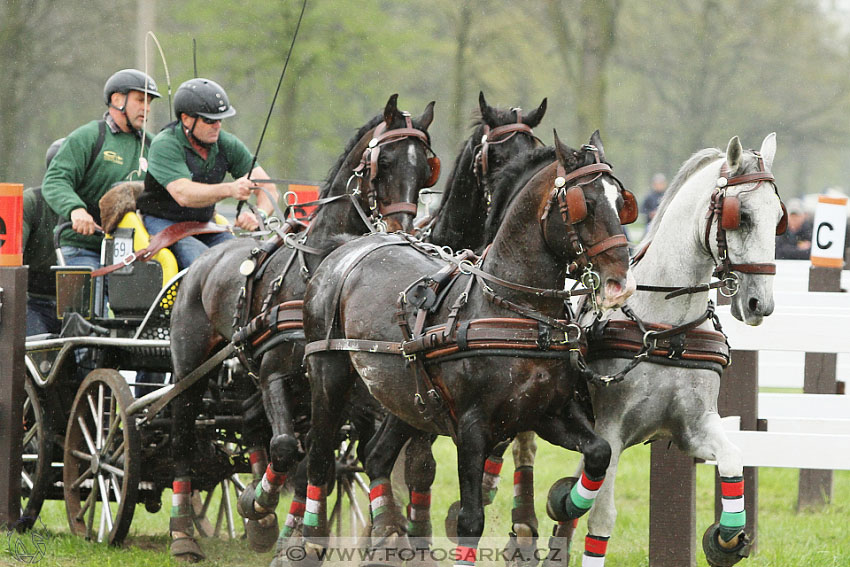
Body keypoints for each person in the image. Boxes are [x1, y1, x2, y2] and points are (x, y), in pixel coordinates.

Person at [136, 77, 278, 270]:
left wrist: (259, 215)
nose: (217, 125)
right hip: (163, 224)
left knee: (248, 259)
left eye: (220, 119)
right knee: (204, 266)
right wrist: (230, 189)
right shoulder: (165, 144)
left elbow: (267, 187)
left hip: (204, 225)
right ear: (186, 119)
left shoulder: (227, 143)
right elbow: (183, 194)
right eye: (209, 120)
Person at [42, 69, 161, 275]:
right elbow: (55, 180)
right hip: (83, 245)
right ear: (117, 99)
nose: (147, 108)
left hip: (134, 248)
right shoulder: (88, 137)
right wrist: (75, 209)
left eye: (149, 102)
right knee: (87, 307)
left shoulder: (153, 145)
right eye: (140, 100)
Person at [23, 139, 64, 336]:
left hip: (77, 305)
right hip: (33, 300)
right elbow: (12, 255)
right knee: (36, 355)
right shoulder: (31, 202)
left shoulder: (91, 204)